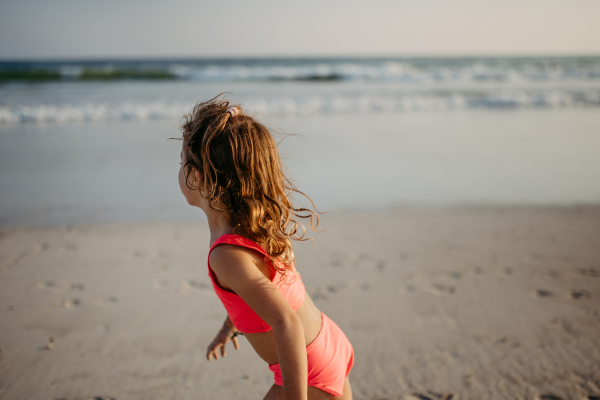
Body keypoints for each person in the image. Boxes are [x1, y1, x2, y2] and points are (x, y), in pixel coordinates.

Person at [176, 95, 354, 400]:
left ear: (195, 177)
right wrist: (228, 326)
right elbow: (255, 294)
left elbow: (287, 323)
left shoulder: (226, 255)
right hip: (327, 342)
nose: (179, 170)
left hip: (307, 371)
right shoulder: (252, 227)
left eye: (182, 163)